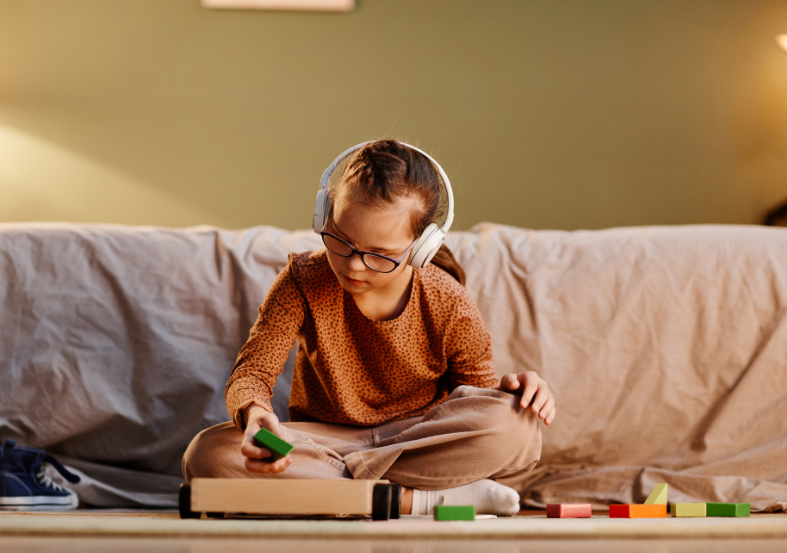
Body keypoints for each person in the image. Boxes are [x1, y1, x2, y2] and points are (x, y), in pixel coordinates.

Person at [182, 139, 556, 516]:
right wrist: (254, 415)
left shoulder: (448, 301)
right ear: (324, 216)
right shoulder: (301, 280)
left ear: (420, 247)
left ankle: (333, 493)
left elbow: (474, 401)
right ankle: (420, 500)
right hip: (324, 445)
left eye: (379, 255)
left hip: (418, 440)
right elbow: (253, 372)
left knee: (516, 425)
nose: (353, 265)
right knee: (208, 453)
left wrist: (510, 394)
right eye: (340, 240)